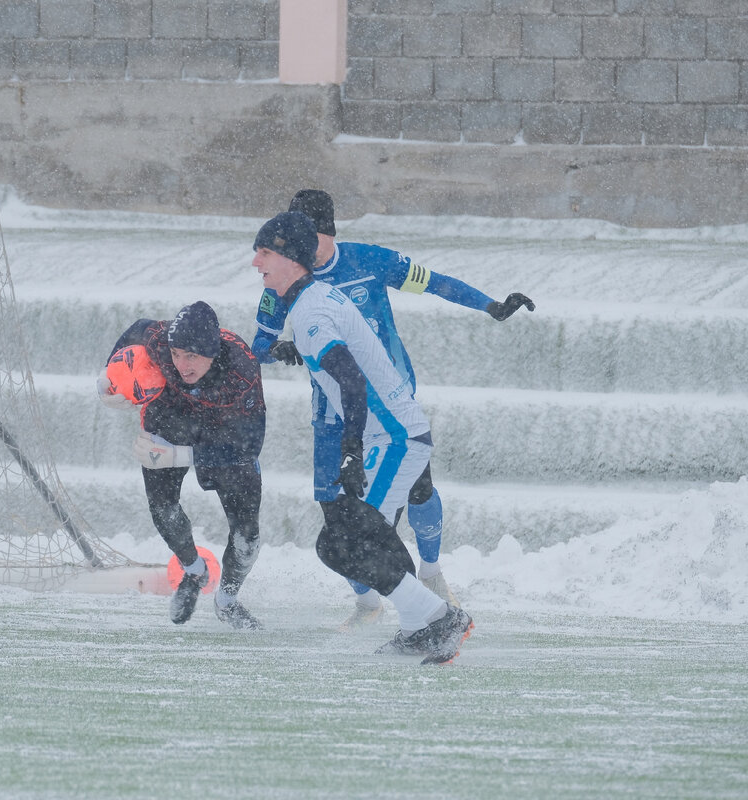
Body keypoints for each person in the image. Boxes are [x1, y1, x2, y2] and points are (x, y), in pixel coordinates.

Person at [252, 189, 533, 630]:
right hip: (333, 415)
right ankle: (374, 604)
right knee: (337, 518)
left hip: (389, 409)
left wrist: (491, 305)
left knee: (405, 501)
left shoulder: (368, 260)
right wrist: (285, 350)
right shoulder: (285, 283)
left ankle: (431, 578)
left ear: (324, 233)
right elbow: (261, 346)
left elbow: (435, 281)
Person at [98, 301, 266, 630]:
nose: (181, 365)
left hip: (224, 434)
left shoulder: (242, 373)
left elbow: (249, 448)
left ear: (213, 351)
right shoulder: (161, 341)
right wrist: (106, 378)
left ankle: (227, 600)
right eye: (176, 354)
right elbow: (138, 327)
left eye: (191, 356)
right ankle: (193, 571)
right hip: (169, 418)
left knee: (248, 536)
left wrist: (179, 456)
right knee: (163, 508)